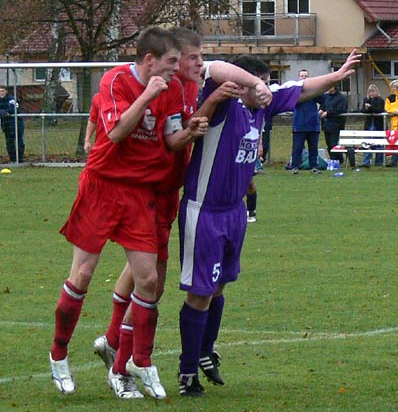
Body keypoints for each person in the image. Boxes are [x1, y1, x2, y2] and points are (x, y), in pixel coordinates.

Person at [176, 50, 361, 397]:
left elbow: (303, 89)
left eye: (265, 84)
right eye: (257, 85)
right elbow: (213, 67)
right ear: (240, 84)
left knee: (219, 286)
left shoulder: (262, 104)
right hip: (204, 211)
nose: (264, 91)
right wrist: (252, 83)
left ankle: (204, 350)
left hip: (234, 211)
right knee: (200, 292)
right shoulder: (222, 103)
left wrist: (337, 77)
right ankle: (187, 373)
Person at [48, 26, 208, 398]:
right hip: (102, 186)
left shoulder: (173, 89)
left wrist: (189, 133)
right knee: (83, 274)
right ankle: (58, 353)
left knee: (149, 279)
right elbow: (117, 133)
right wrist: (148, 94)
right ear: (150, 60)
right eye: (171, 61)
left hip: (139, 192)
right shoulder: (116, 80)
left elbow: (170, 138)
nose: (176, 69)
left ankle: (139, 361)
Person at [290, 69, 324, 175]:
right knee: (297, 148)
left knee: (313, 148)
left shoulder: (313, 91)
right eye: (302, 76)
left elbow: (324, 100)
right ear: (299, 77)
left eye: (306, 76)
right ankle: (295, 167)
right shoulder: (295, 91)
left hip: (313, 124)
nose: (304, 77)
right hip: (299, 124)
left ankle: (314, 167)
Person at [319, 85, 347, 166]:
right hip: (326, 124)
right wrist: (321, 110)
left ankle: (337, 161)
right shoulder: (326, 97)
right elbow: (323, 106)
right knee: (328, 144)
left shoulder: (341, 97)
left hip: (336, 125)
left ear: (335, 87)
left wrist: (328, 113)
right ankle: (334, 160)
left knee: (333, 144)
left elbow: (341, 109)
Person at [360, 84, 385, 168]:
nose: (371, 93)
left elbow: (379, 110)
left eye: (373, 91)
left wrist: (370, 108)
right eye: (370, 92)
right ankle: (366, 162)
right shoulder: (366, 100)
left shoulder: (380, 100)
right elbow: (362, 110)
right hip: (369, 125)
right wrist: (367, 108)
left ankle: (379, 162)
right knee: (367, 143)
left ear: (377, 92)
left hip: (378, 125)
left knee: (379, 143)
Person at [0, 86, 25, 163]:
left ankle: (20, 159)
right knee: (9, 143)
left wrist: (6, 112)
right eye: (0, 91)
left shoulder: (11, 99)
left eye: (3, 91)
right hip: (6, 124)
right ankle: (13, 159)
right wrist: (3, 112)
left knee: (19, 141)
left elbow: (13, 109)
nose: (1, 93)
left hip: (17, 123)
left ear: (6, 91)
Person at [384, 79, 398, 167]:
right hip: (395, 123)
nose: (392, 89)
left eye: (393, 87)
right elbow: (387, 108)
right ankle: (394, 162)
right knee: (396, 142)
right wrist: (395, 111)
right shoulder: (390, 98)